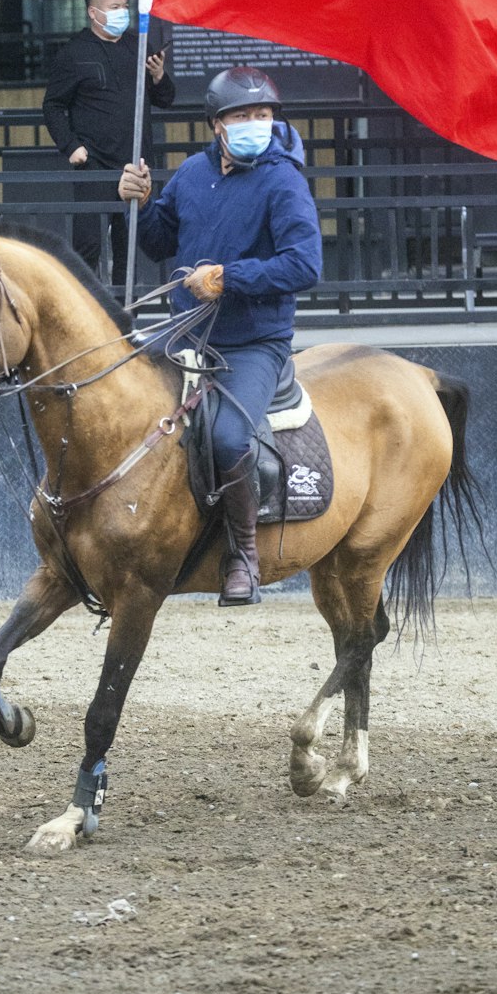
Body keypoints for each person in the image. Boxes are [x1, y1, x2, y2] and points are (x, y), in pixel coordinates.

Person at [118, 65, 322, 606]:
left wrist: (230, 278)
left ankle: (243, 554)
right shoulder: (189, 173)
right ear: (217, 125)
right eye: (242, 115)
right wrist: (139, 202)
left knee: (230, 438)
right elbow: (161, 240)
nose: (255, 123)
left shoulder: (284, 180)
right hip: (186, 330)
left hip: (253, 342)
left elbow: (306, 264)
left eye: (263, 114)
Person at [42, 0, 175, 289]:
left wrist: (158, 76)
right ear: (93, 12)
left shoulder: (139, 46)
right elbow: (52, 106)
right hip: (94, 164)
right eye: (114, 7)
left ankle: (125, 320)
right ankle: (84, 314)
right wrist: (71, 146)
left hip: (135, 163)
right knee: (88, 245)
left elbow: (166, 99)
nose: (121, 13)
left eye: (124, 6)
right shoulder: (74, 53)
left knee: (128, 246)